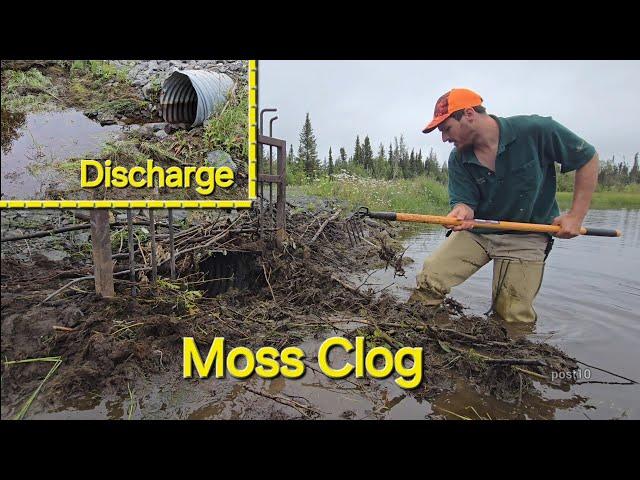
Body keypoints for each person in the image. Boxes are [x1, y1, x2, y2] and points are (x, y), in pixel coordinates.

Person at [412, 88, 599, 323]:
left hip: (527, 235)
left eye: (446, 128)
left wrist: (576, 215)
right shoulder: (458, 158)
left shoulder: (537, 130)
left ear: (469, 114)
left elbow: (587, 157)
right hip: (478, 232)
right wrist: (462, 209)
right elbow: (465, 202)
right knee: (430, 278)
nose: (444, 138)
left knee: (512, 314)